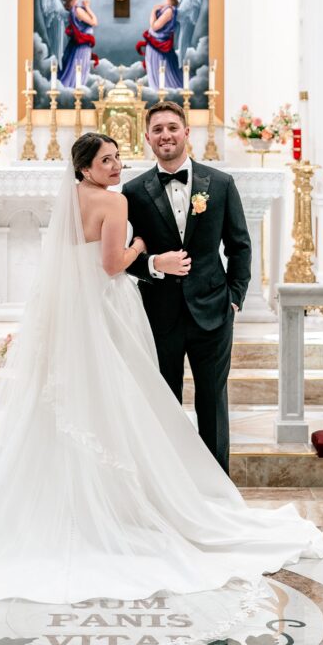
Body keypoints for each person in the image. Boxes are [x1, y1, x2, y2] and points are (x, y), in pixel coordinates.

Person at [0, 132, 323, 607]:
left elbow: (69, 263)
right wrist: (140, 251)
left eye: (117, 158)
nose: (116, 166)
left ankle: (77, 500)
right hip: (109, 309)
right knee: (125, 399)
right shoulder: (116, 202)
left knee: (87, 399)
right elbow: (113, 264)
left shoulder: (71, 198)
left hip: (80, 310)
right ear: (85, 166)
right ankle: (144, 502)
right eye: (107, 160)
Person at [123, 101, 249, 474]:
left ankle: (217, 491)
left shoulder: (221, 184)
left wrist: (235, 299)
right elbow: (119, 256)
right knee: (163, 404)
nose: (166, 135)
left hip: (213, 310)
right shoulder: (133, 191)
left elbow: (239, 245)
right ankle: (170, 489)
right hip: (159, 314)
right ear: (147, 137)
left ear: (186, 132)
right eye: (158, 129)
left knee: (212, 403)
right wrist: (153, 265)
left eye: (172, 128)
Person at [136, 0, 185, 89]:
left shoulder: (169, 11)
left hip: (159, 49)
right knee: (155, 72)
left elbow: (155, 26)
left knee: (161, 74)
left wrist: (153, 11)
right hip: (155, 46)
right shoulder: (164, 8)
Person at [57, 0, 98, 88]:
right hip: (82, 48)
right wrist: (88, 7)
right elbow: (94, 22)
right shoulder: (78, 10)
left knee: (77, 73)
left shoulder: (73, 10)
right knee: (80, 73)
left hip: (80, 46)